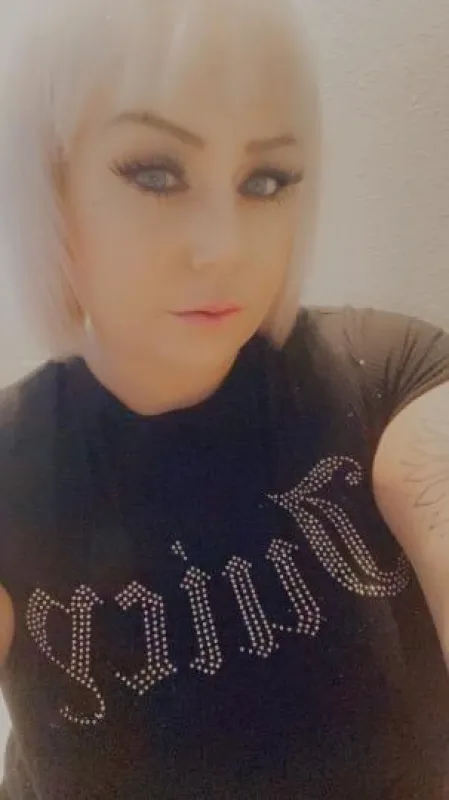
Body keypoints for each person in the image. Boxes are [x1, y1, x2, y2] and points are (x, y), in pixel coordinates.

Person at [0, 0, 448, 797]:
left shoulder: (388, 375)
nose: (226, 247)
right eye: (155, 173)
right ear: (49, 182)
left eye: (265, 180)